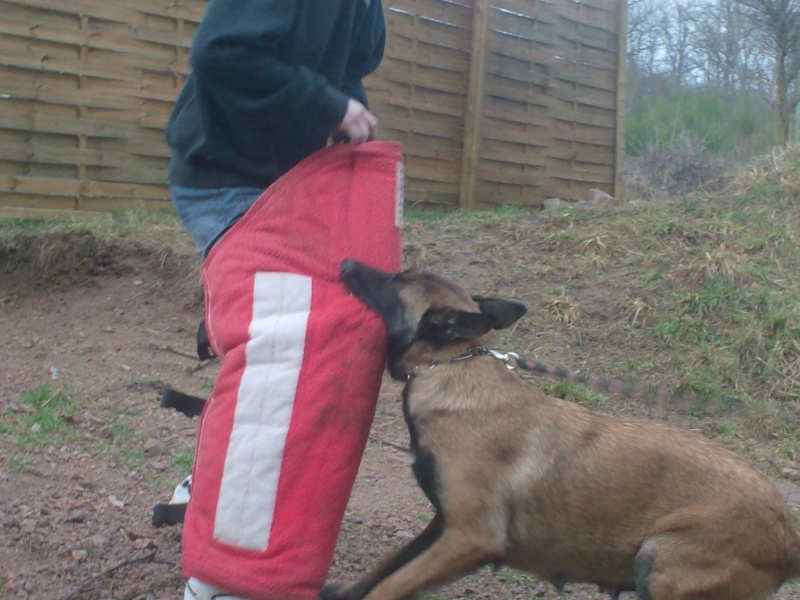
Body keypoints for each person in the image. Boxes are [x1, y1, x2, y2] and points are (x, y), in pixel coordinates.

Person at [165, 2, 386, 599]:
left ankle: (215, 484)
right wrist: (329, 106)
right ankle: (221, 580)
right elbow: (222, 52)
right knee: (287, 352)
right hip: (227, 172)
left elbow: (349, 67)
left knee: (333, 337)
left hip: (295, 177)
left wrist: (348, 112)